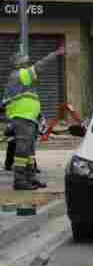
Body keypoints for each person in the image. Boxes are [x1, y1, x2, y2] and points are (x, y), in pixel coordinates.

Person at [3, 46, 64, 189]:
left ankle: (30, 178)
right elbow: (39, 66)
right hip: (22, 117)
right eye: (25, 61)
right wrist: (54, 53)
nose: (27, 63)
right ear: (20, 63)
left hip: (28, 117)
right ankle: (20, 180)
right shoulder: (21, 75)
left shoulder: (22, 78)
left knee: (29, 151)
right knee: (22, 150)